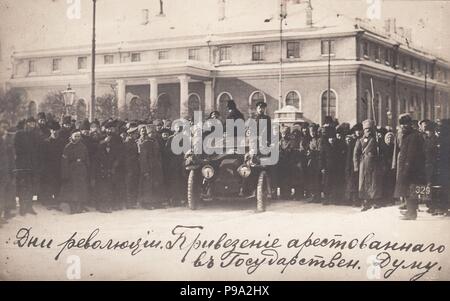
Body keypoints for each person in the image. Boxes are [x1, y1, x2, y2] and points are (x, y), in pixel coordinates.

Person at [393, 114, 425, 220]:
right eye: (401, 124)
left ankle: (411, 213)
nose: (403, 126)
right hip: (409, 167)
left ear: (409, 124)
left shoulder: (413, 136)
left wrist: (406, 168)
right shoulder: (408, 135)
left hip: (411, 168)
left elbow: (411, 154)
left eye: (405, 124)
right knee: (408, 190)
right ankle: (410, 210)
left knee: (410, 190)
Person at [353, 119, 383, 211]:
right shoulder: (360, 140)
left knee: (374, 183)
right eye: (366, 129)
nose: (368, 131)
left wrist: (379, 141)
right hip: (364, 164)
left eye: (370, 129)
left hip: (374, 164)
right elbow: (355, 154)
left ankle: (375, 201)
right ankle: (366, 202)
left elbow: (381, 152)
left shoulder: (376, 139)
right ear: (364, 130)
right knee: (364, 183)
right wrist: (356, 166)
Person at [14, 117, 40, 216]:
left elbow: (38, 149)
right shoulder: (19, 134)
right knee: (22, 186)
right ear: (26, 124)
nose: (32, 125)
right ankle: (22, 207)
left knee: (31, 187)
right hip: (22, 164)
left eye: (33, 124)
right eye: (30, 123)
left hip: (32, 164)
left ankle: (29, 207)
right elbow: (16, 148)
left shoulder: (35, 135)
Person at [60, 130, 90, 214]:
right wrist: (65, 173)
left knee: (81, 189)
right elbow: (64, 161)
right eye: (75, 136)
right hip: (72, 171)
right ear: (72, 136)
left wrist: (86, 167)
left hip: (81, 171)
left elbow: (87, 158)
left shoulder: (83, 146)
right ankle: (72, 207)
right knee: (72, 190)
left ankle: (79, 207)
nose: (77, 138)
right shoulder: (68, 147)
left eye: (78, 136)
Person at [138, 126, 164, 209]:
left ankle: (156, 202)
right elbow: (143, 158)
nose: (152, 134)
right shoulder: (145, 143)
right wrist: (145, 170)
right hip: (148, 167)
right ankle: (146, 203)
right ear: (147, 134)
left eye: (153, 133)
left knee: (156, 185)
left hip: (156, 167)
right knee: (147, 186)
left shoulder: (155, 142)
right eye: (150, 133)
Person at [123, 124, 140, 209]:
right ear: (131, 134)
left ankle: (132, 202)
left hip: (133, 166)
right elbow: (127, 156)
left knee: (133, 184)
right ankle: (129, 203)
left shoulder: (133, 141)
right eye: (135, 133)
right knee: (129, 185)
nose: (137, 134)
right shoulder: (128, 142)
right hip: (129, 166)